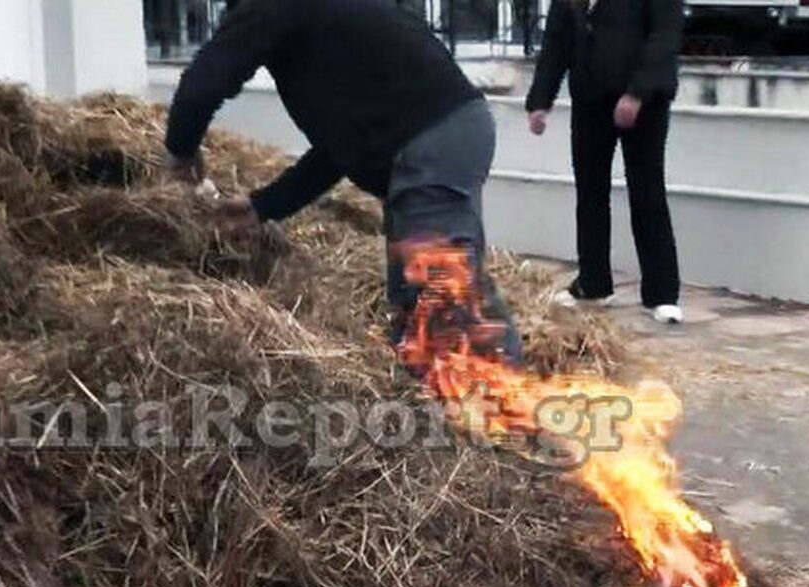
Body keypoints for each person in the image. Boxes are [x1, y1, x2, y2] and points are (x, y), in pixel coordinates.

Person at [164, 0, 523, 366]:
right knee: (418, 302)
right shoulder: (325, 34)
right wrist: (263, 206)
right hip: (442, 136)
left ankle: (501, 410)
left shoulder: (270, 7)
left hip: (433, 140)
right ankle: (437, 401)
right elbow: (339, 150)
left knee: (443, 294)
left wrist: (181, 152)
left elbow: (204, 82)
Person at [526, 0, 686, 324]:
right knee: (590, 192)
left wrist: (637, 92)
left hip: (645, 101)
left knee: (647, 192)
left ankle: (662, 293)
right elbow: (557, 40)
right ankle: (593, 283)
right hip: (590, 97)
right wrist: (540, 100)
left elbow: (664, 36)